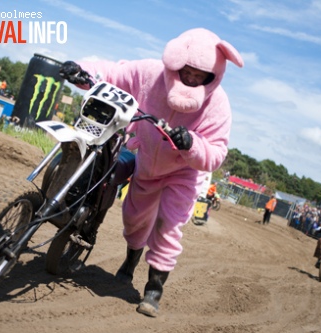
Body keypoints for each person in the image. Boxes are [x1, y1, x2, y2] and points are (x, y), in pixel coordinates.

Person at [60, 28, 243, 317]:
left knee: (167, 226)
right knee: (134, 220)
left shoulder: (217, 104)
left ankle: (153, 290)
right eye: (188, 72)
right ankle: (130, 263)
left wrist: (192, 143)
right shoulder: (150, 73)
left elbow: (217, 152)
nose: (193, 79)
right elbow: (112, 74)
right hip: (146, 163)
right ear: (176, 64)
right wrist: (82, 69)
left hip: (182, 173)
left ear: (213, 76)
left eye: (201, 76)